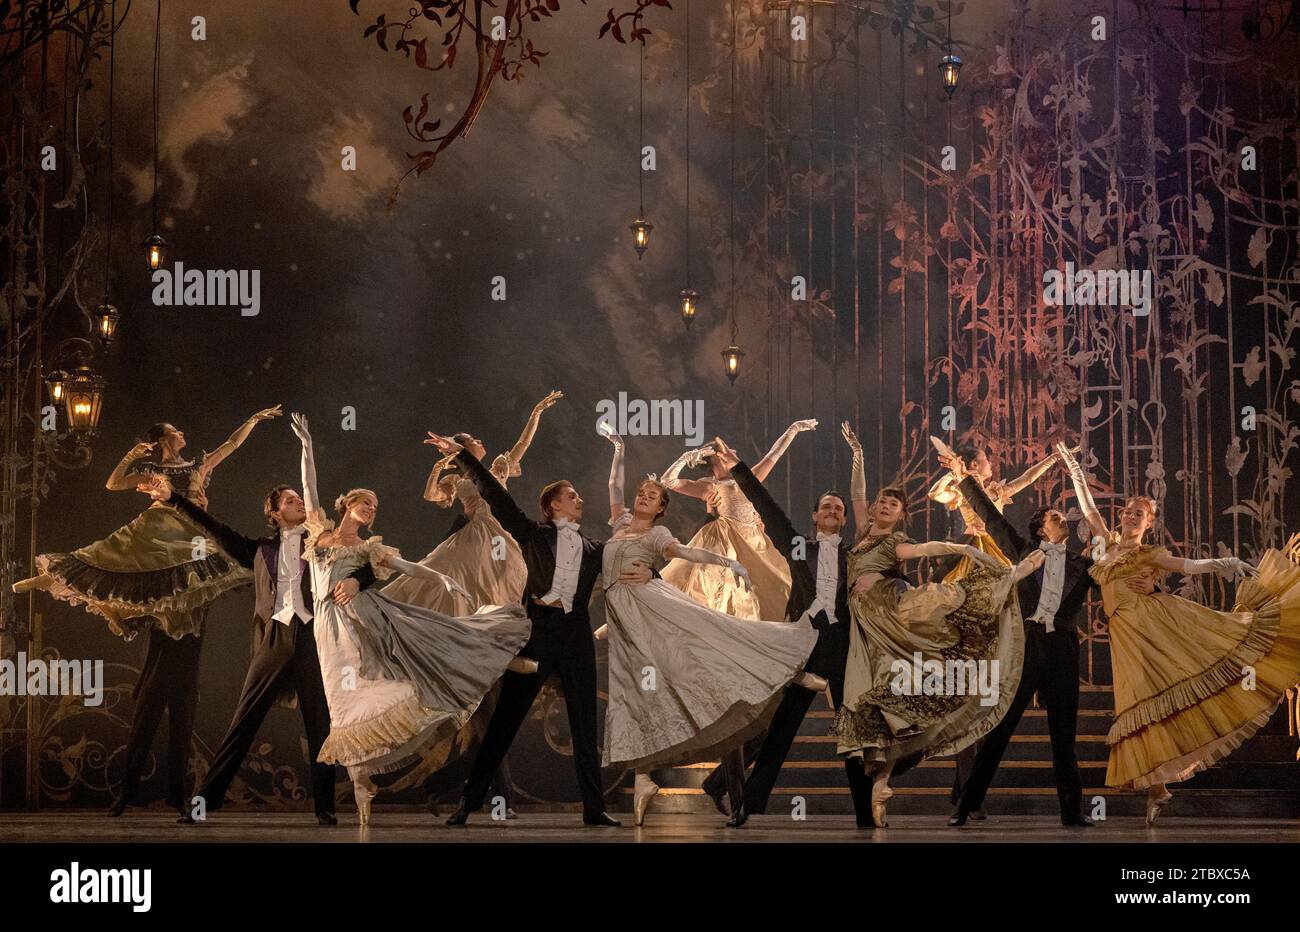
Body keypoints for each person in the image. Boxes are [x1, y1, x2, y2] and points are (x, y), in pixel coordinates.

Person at [13, 407, 281, 818]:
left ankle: (176, 793)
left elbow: (229, 447)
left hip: (191, 538)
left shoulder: (196, 466)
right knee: (120, 551)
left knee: (195, 588)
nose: (182, 432)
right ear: (161, 439)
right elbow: (114, 482)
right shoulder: (153, 468)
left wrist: (252, 421)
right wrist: (131, 455)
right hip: (161, 536)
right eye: (175, 430)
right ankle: (54, 576)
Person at [292, 414, 535, 824]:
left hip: (368, 616)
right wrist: (307, 446)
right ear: (348, 504)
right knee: (346, 701)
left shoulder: (370, 548)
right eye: (365, 503)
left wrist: (443, 578)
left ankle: (493, 651)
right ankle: (361, 780)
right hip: (328, 628)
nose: (371, 509)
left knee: (424, 644)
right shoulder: (320, 534)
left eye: (374, 506)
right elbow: (309, 489)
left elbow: (407, 566)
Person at [1057, 443, 1300, 825]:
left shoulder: (1149, 554)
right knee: (1140, 702)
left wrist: (1228, 562)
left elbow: (1189, 565)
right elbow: (1088, 508)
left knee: (1187, 673)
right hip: (1126, 640)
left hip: (1159, 625)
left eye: (1141, 514)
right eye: (1130, 511)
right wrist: (1073, 468)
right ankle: (1157, 788)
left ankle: (1158, 787)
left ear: (1148, 522)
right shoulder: (1104, 546)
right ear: (1121, 517)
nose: (1133, 516)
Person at [425, 430, 652, 828]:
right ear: (553, 505)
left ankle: (593, 809)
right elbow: (496, 495)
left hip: (576, 633)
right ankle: (469, 802)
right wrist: (462, 456)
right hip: (538, 632)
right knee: (505, 721)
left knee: (585, 724)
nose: (580, 499)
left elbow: (634, 563)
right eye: (573, 495)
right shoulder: (533, 534)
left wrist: (650, 570)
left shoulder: (596, 548)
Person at [595, 429, 820, 826]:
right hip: (631, 609)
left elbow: (682, 551)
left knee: (718, 642)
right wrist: (626, 449)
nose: (643, 496)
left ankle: (782, 665)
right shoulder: (629, 519)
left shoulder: (665, 528)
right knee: (650, 680)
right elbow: (637, 484)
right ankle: (647, 773)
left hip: (734, 558)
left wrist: (792, 431)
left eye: (651, 496)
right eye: (641, 493)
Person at [136, 474, 378, 825]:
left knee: (320, 724)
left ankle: (324, 808)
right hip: (275, 638)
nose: (299, 502)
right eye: (291, 499)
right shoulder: (261, 550)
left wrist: (358, 580)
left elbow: (368, 561)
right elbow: (214, 527)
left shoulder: (322, 540)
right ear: (276, 513)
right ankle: (204, 803)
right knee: (243, 722)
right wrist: (173, 497)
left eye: (300, 498)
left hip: (315, 637)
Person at [939, 450, 1157, 827]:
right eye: (1056, 517)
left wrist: (1150, 585)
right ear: (1042, 528)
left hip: (1062, 651)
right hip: (1027, 647)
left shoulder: (1083, 565)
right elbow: (991, 517)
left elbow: (1120, 578)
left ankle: (1072, 813)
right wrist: (964, 479)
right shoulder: (1022, 550)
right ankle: (965, 804)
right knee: (999, 731)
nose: (1062, 518)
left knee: (1063, 738)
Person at [833, 451, 1043, 826]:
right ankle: (881, 781)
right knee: (882, 698)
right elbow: (857, 494)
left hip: (888, 610)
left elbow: (925, 549)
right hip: (863, 628)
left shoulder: (894, 542)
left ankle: (1007, 578)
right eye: (882, 499)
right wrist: (859, 457)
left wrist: (961, 547)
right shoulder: (863, 532)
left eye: (893, 503)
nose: (883, 504)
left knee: (941, 598)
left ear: (901, 515)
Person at [384, 391, 561, 815]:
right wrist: (440, 463)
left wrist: (534, 412)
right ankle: (464, 630)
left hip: (499, 540)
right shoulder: (462, 478)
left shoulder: (495, 468)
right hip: (474, 540)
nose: (483, 442)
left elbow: (520, 447)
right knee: (455, 581)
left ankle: (494, 634)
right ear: (466, 449)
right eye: (474, 441)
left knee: (509, 584)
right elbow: (431, 495)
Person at [699, 437, 878, 828]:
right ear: (815, 517)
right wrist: (739, 469)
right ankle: (741, 801)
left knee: (852, 728)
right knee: (780, 728)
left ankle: (865, 815)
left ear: (844, 520)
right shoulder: (799, 548)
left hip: (843, 645)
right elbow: (768, 508)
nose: (832, 510)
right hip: (803, 642)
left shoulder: (855, 555)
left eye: (839, 508)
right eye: (826, 507)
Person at [658, 420, 815, 622]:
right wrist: (688, 456)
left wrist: (792, 430)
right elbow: (668, 481)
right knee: (727, 590)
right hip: (726, 541)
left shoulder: (748, 477)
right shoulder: (709, 487)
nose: (732, 451)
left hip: (755, 541)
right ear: (713, 458)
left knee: (777, 584)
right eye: (725, 450)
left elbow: (773, 456)